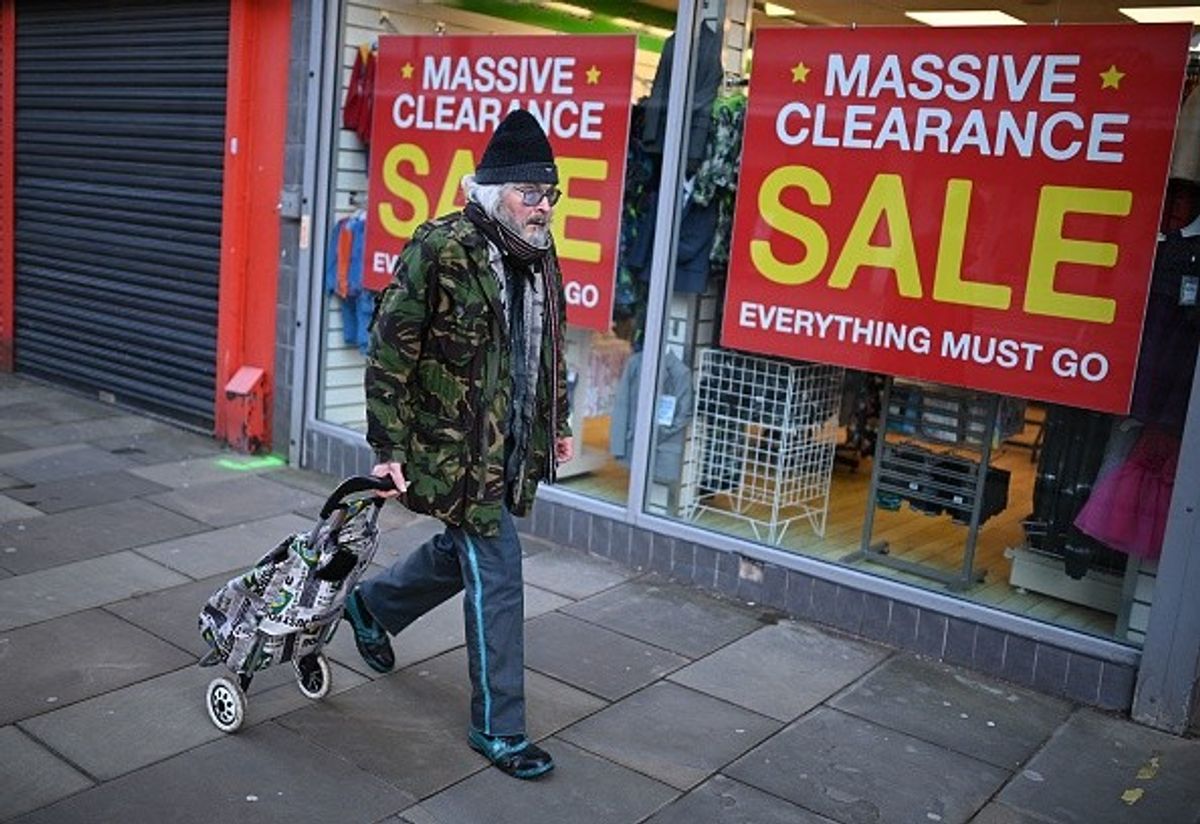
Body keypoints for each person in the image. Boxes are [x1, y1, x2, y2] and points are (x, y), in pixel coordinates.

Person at [343, 109, 573, 780]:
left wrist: (555, 423)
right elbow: (390, 348)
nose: (544, 207)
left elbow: (550, 345)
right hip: (451, 450)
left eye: (551, 195)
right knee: (499, 573)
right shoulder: (442, 246)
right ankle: (499, 729)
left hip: (506, 446)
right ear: (493, 189)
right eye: (531, 193)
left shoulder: (539, 255)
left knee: (462, 552)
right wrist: (387, 443)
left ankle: (371, 606)